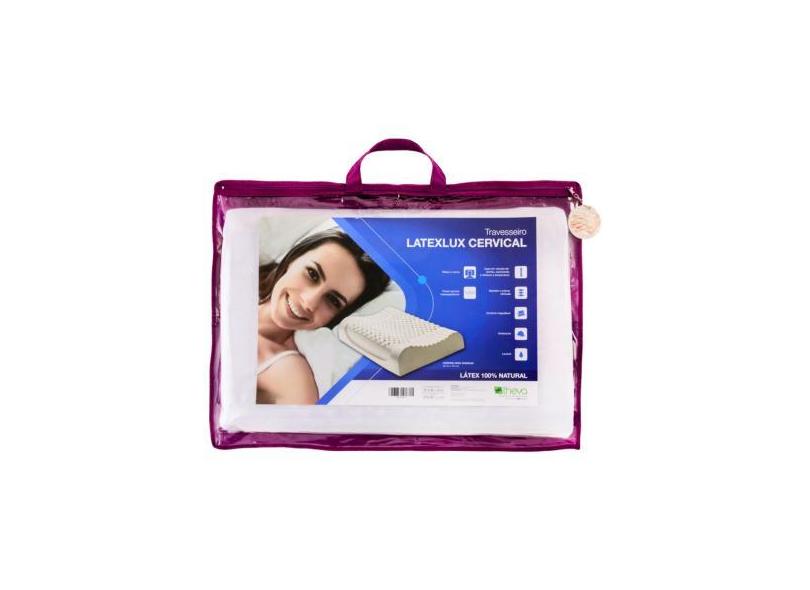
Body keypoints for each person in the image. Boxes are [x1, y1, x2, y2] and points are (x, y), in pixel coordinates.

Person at [256, 229, 390, 404]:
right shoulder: (233, 276)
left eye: (333, 301)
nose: (309, 302)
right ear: (293, 258)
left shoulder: (290, 377)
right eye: (312, 274)